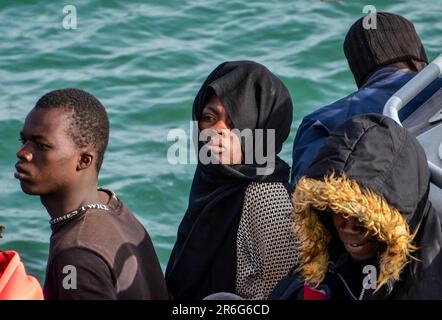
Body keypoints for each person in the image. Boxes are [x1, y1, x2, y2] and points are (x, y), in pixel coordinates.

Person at [15, 88, 169, 300]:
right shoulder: (112, 206)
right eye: (24, 141)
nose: (23, 153)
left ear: (84, 160)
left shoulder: (75, 253)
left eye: (41, 146)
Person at [166, 61, 300, 300]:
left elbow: (288, 294)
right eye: (209, 117)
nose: (216, 130)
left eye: (235, 124)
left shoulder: (265, 197)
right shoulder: (209, 183)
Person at [273, 114, 442, 299]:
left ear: (397, 217)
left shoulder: (428, 284)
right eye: (336, 208)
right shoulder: (322, 265)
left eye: (364, 214)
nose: (349, 226)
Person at [291, 12, 442, 184]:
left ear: (358, 74)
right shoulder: (438, 89)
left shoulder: (319, 123)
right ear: (416, 62)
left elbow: (304, 197)